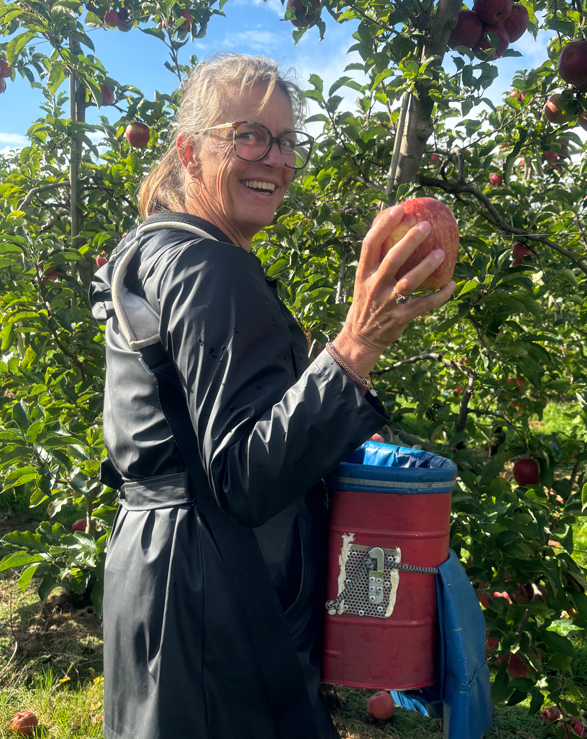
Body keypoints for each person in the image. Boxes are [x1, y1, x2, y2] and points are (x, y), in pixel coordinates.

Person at [90, 52, 455, 739]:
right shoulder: (208, 264)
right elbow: (245, 475)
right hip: (213, 599)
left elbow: (196, 437)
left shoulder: (153, 249)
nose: (275, 158)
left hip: (164, 569)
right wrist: (354, 346)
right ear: (189, 152)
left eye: (286, 140)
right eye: (248, 135)